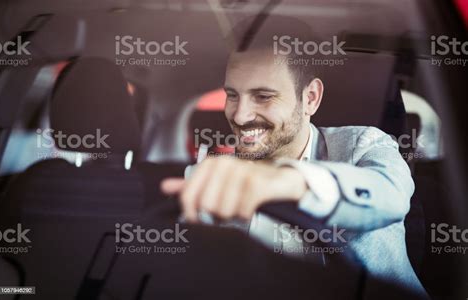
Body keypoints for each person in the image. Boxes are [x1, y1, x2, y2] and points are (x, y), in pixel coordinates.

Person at [161, 16, 426, 295]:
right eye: (232, 95)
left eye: (263, 96)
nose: (240, 115)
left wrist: (288, 181)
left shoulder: (363, 144)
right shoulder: (211, 177)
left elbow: (391, 195)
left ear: (310, 97)